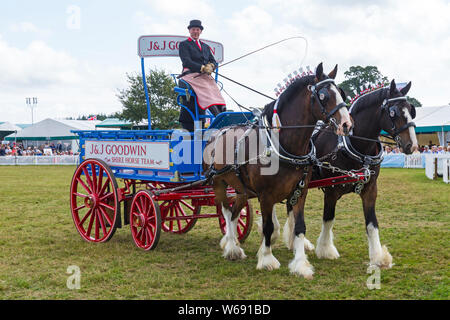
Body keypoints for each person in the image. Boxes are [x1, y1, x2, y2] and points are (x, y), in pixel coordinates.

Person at [178, 19, 226, 132]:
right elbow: (186, 61)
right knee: (205, 87)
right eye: (193, 29)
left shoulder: (205, 47)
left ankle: (222, 108)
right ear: (190, 31)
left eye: (197, 29)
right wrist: (202, 68)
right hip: (190, 75)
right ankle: (216, 113)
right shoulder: (184, 45)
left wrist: (211, 66)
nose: (195, 31)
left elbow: (213, 61)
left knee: (214, 87)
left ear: (200, 31)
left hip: (204, 76)